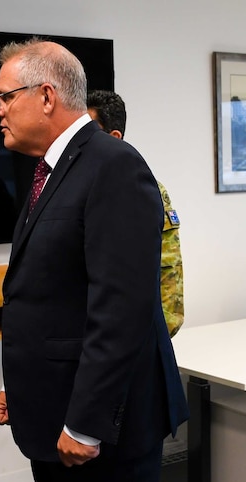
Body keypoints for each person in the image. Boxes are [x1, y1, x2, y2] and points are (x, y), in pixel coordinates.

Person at [0, 39, 189, 482]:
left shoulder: (113, 166)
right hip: (58, 412)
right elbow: (57, 299)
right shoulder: (53, 171)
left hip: (102, 429)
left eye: (5, 96)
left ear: (47, 95)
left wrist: (85, 424)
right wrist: (23, 384)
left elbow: (119, 310)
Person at [34, 89, 187, 482]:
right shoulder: (57, 183)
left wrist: (101, 385)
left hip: (118, 389)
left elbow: (160, 302)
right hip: (78, 386)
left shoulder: (126, 181)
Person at [86, 89, 184, 337]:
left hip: (129, 338)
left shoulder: (142, 188)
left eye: (89, 133)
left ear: (114, 137)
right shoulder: (80, 187)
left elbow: (167, 264)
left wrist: (158, 334)